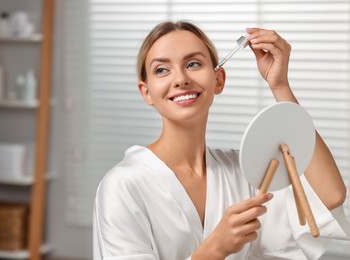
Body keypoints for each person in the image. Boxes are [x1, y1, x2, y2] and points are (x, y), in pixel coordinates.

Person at [93, 21, 349, 260]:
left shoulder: (242, 171)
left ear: (218, 80)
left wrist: (280, 86)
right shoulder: (122, 186)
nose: (180, 79)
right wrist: (215, 248)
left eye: (193, 64)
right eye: (161, 70)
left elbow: (330, 195)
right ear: (146, 92)